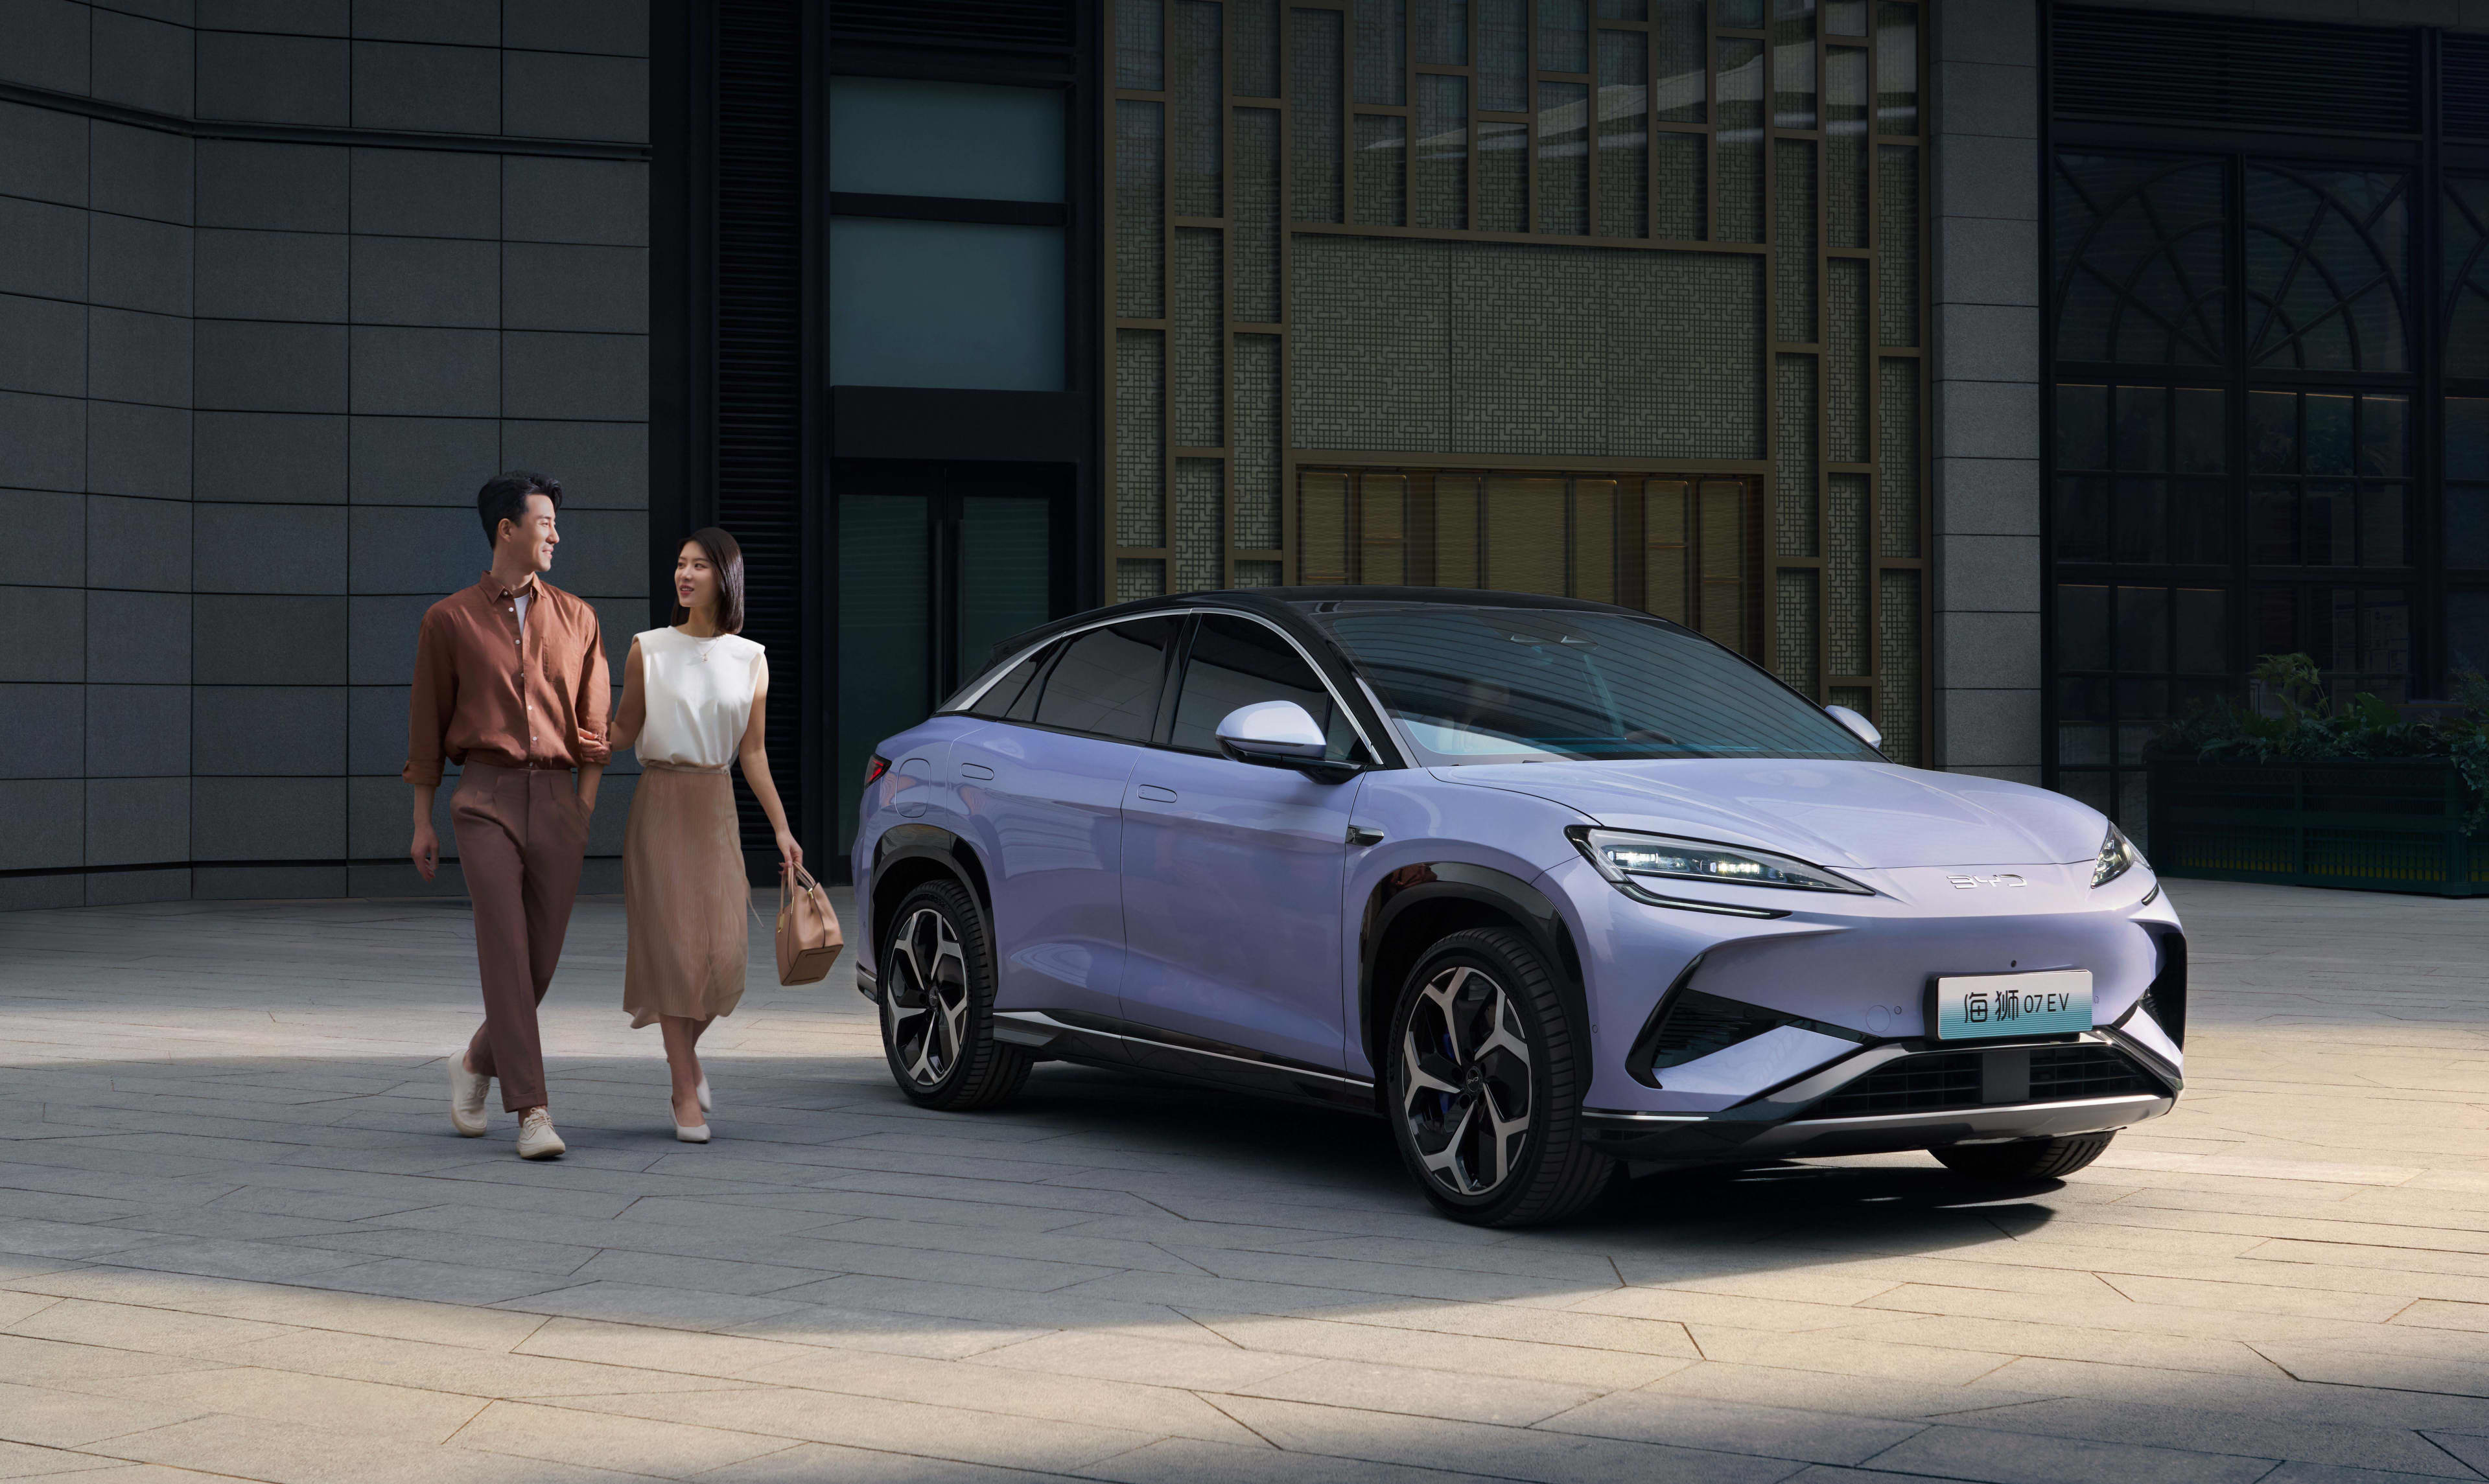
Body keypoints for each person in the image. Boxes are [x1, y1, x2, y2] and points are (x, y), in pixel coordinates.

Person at [406, 470, 610, 1161]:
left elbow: (594, 729)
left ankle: (474, 1060)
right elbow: (426, 729)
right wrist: (423, 820)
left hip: (558, 800)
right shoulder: (449, 620)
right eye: (545, 522)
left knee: (538, 966)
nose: (556, 535)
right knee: (505, 951)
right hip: (483, 799)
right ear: (508, 529)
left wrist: (581, 809)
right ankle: (533, 1111)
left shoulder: (580, 619)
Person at [605, 528, 800, 1142]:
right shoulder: (649, 648)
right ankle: (682, 1088)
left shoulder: (752, 658)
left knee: (724, 955)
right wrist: (576, 731)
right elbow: (622, 730)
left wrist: (782, 828)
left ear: (725, 576)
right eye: (680, 564)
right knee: (674, 949)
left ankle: (684, 1056)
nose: (684, 575)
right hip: (661, 801)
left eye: (698, 566)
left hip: (716, 805)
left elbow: (754, 753)